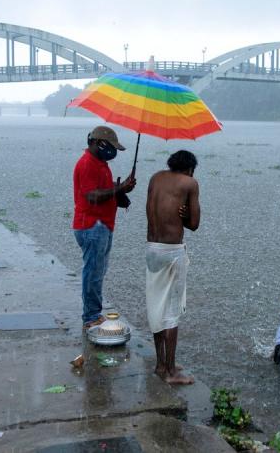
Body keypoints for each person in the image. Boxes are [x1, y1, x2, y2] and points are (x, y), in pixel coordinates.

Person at [144, 150, 200, 385]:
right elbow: (194, 224)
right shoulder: (189, 183)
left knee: (156, 307)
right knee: (172, 311)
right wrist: (187, 215)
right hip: (172, 252)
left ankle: (160, 365)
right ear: (190, 169)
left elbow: (152, 211)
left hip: (152, 248)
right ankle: (170, 372)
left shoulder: (156, 178)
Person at [72, 125, 136, 330]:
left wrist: (121, 193)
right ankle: (90, 316)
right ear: (97, 143)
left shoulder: (100, 163)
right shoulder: (88, 164)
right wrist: (119, 188)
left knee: (98, 271)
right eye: (110, 146)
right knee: (93, 271)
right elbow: (92, 196)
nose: (113, 152)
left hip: (102, 225)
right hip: (92, 225)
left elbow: (104, 193)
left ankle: (94, 313)